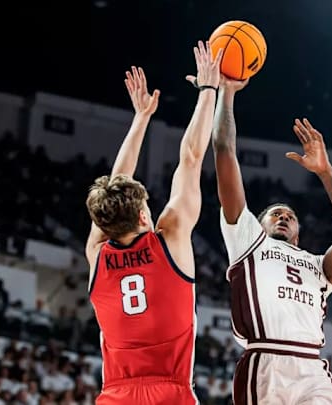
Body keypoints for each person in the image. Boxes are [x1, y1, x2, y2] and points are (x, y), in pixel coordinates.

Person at [85, 42, 224, 404]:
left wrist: (141, 119)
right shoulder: (171, 235)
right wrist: (209, 91)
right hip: (170, 392)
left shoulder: (97, 254)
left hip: (115, 395)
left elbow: (115, 187)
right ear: (144, 215)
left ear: (102, 223)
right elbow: (191, 158)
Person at [212, 78, 332, 403]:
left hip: (313, 367)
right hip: (267, 361)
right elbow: (224, 151)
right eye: (275, 214)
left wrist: (326, 173)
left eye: (290, 216)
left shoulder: (317, 264)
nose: (283, 217)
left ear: (299, 231)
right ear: (259, 222)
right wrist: (226, 94)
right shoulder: (248, 241)